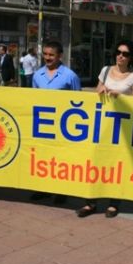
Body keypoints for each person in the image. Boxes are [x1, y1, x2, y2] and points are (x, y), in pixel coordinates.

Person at [77, 39, 133, 218]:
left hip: (121, 128)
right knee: (96, 162)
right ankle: (90, 202)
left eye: (125, 54)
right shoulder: (105, 70)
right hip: (101, 126)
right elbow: (96, 93)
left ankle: (114, 203)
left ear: (131, 57)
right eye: (118, 52)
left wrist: (121, 97)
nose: (121, 56)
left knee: (116, 164)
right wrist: (101, 89)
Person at [30, 41, 81, 204]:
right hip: (43, 125)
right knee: (43, 158)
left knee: (61, 159)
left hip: (63, 126)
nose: (47, 58)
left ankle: (61, 191)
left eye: (51, 55)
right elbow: (33, 99)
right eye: (45, 54)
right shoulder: (37, 75)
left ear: (60, 56)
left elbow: (79, 101)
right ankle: (43, 189)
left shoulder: (70, 76)